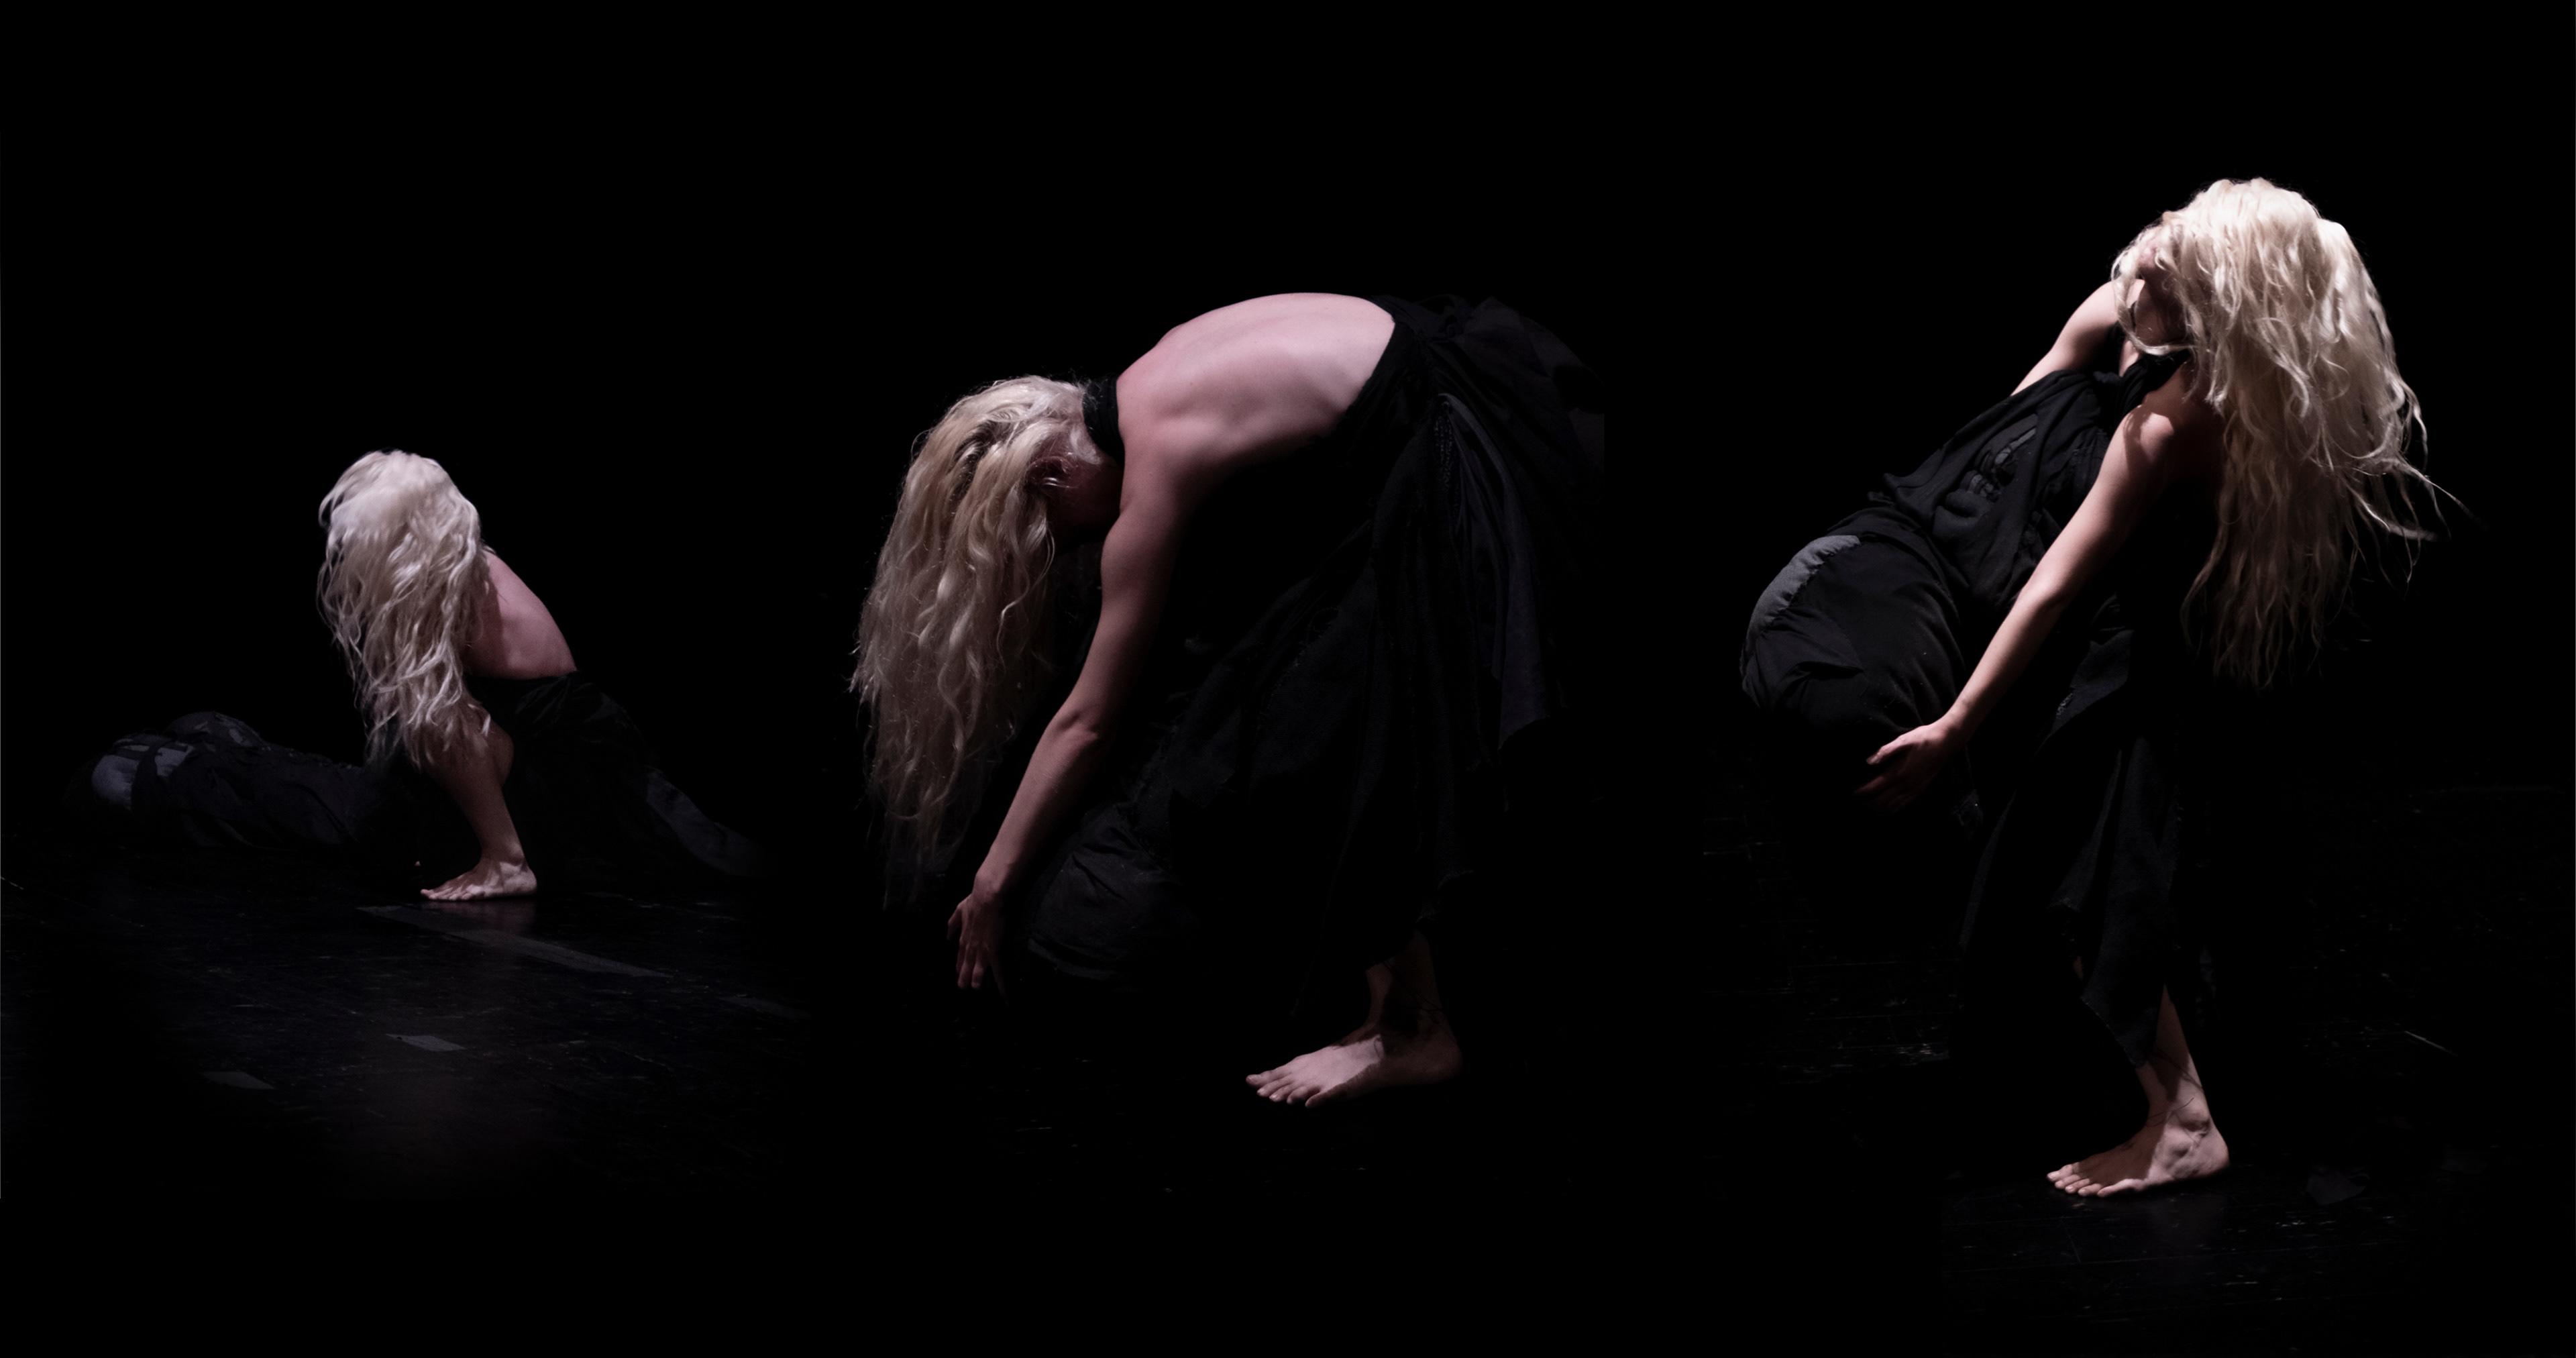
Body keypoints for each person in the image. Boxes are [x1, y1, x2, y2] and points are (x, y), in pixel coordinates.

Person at [1743, 179, 2435, 1194]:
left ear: (2216, 307)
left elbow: (2057, 585)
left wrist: (1957, 724)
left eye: (2171, 259)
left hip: (2112, 649)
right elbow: (2010, 441)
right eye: (2161, 235)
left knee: (2068, 862)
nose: (2146, 252)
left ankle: (2184, 1120)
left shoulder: (2167, 424)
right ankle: (2109, 1058)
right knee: (2050, 859)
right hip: (2042, 599)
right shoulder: (2129, 320)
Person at [855, 294, 1603, 1106]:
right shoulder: (1155, 372)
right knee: (1289, 675)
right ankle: (1392, 1002)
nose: (1075, 545)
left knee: (1311, 727)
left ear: (1052, 473)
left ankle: (1418, 1028)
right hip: (1452, 380)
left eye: (1058, 527)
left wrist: (993, 884)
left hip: (1450, 443)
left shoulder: (1158, 454)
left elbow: (1089, 719)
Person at [68, 451, 767, 897]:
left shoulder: (438, 588)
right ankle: (210, 752)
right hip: (564, 758)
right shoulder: (462, 560)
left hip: (553, 774)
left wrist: (503, 856)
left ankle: (190, 766)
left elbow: (442, 724)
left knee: (343, 806)